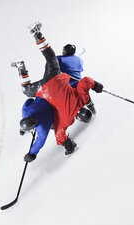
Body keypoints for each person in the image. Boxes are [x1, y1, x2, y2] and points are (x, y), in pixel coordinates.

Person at [12, 21, 103, 155]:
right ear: (78, 118)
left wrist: (96, 85)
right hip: (44, 90)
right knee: (26, 90)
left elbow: (85, 82)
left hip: (56, 79)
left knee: (50, 58)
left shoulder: (81, 100)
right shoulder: (65, 120)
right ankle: (21, 66)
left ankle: (36, 33)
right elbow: (59, 135)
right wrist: (68, 145)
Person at [57, 44, 97, 115]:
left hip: (69, 87)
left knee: (71, 103)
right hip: (80, 84)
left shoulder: (60, 58)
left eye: (64, 51)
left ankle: (80, 114)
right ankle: (92, 109)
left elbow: (52, 63)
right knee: (85, 97)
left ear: (66, 52)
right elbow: (80, 69)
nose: (63, 52)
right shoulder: (79, 60)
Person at [20, 97, 54, 163]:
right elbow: (30, 100)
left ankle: (23, 128)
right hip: (45, 97)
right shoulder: (25, 110)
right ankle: (23, 128)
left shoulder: (42, 127)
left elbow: (40, 141)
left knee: (54, 126)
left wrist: (31, 154)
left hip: (53, 111)